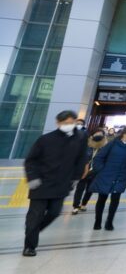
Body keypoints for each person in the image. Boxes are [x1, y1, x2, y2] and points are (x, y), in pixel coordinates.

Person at [22, 110, 89, 256]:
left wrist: (75, 178)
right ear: (58, 123)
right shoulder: (45, 139)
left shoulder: (81, 138)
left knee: (54, 212)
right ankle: (30, 246)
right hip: (41, 183)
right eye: (65, 123)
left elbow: (81, 159)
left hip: (62, 183)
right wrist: (32, 178)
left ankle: (32, 230)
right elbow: (31, 160)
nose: (69, 125)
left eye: (72, 123)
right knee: (35, 215)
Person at [88, 126, 126, 230]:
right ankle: (97, 221)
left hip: (121, 176)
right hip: (106, 175)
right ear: (125, 134)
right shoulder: (112, 143)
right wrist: (100, 170)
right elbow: (99, 157)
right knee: (101, 199)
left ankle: (109, 221)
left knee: (115, 200)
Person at [70, 130, 108, 214]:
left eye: (100, 135)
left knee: (90, 189)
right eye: (96, 134)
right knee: (79, 189)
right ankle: (75, 206)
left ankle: (83, 204)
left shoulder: (104, 149)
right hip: (84, 171)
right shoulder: (86, 147)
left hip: (95, 172)